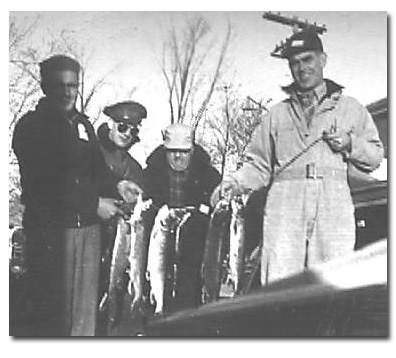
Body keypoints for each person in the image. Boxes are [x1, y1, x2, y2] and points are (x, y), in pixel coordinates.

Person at [211, 29, 384, 286]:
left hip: (333, 202)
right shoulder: (276, 115)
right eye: (295, 63)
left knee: (333, 281)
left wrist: (350, 143)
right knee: (279, 282)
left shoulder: (351, 108)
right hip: (285, 203)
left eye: (308, 59)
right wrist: (234, 183)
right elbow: (258, 165)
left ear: (322, 60)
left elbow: (374, 157)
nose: (302, 68)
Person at [12, 54, 124, 336]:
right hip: (52, 234)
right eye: (59, 85)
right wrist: (94, 203)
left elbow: (97, 172)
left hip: (88, 232)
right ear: (45, 87)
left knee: (84, 319)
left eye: (73, 85)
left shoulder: (84, 125)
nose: (67, 92)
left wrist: (117, 188)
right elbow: (46, 183)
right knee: (51, 318)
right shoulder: (31, 127)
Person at [144, 123, 221, 312]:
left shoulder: (209, 177)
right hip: (159, 249)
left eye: (183, 152)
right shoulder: (149, 175)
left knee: (189, 303)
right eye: (172, 151)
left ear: (192, 151)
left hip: (194, 251)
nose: (178, 156)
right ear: (165, 150)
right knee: (157, 297)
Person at [95, 101, 147, 334]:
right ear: (110, 124)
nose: (127, 134)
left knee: (116, 305)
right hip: (91, 240)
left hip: (121, 245)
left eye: (133, 129)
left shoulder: (135, 168)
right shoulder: (91, 153)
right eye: (122, 127)